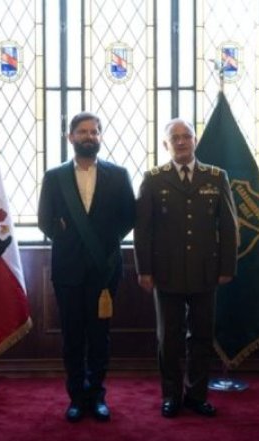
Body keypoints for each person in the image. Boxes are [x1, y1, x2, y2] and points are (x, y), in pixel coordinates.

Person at [134, 118, 238, 418]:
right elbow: (143, 229)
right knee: (169, 338)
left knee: (202, 336)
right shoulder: (153, 179)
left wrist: (227, 266)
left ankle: (196, 395)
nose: (181, 142)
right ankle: (171, 396)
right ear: (165, 144)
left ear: (195, 140)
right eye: (174, 138)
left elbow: (228, 226)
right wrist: (144, 270)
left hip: (206, 271)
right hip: (166, 272)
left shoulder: (216, 177)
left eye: (187, 136)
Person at [38, 112, 136, 423]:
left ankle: (97, 395)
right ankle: (76, 398)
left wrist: (103, 241)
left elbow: (128, 217)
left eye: (94, 131)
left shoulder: (118, 175)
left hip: (104, 268)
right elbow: (45, 220)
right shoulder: (54, 177)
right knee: (72, 336)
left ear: (100, 137)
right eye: (82, 131)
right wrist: (70, 239)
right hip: (67, 269)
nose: (89, 136)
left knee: (99, 336)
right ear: (70, 137)